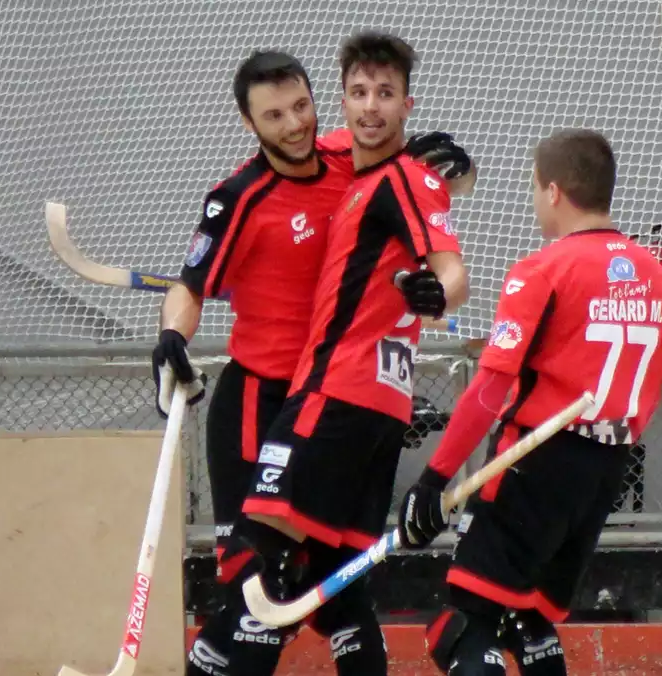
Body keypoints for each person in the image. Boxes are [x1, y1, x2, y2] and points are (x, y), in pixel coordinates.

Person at [149, 50, 475, 676]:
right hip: (262, 398)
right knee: (262, 577)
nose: (295, 125)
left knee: (339, 585)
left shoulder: (341, 157)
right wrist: (171, 337)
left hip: (337, 395)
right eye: (274, 116)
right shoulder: (239, 197)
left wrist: (448, 169)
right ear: (249, 124)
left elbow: (411, 184)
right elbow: (190, 285)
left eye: (302, 105)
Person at [396, 129, 662, 676]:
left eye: (532, 187)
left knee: (462, 630)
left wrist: (435, 477)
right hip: (606, 469)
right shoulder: (653, 272)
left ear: (552, 191)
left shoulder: (543, 269)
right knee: (528, 623)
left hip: (536, 461)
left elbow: (492, 388)